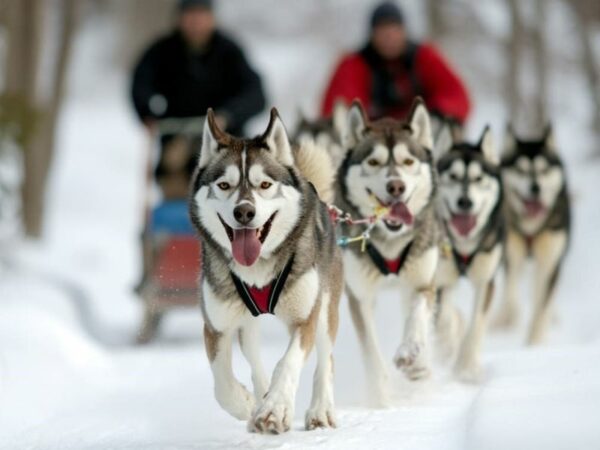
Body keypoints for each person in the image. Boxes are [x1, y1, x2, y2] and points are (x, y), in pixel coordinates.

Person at [321, 1, 471, 125]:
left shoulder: (424, 56)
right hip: (372, 138)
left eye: (394, 31)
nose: (389, 38)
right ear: (372, 35)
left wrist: (435, 114)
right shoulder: (354, 64)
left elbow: (457, 97)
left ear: (404, 32)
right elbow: (337, 108)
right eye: (383, 32)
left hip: (417, 133)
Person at [131, 0, 265, 136]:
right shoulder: (162, 51)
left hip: (226, 139)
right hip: (177, 137)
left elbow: (255, 94)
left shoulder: (230, 52)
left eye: (201, 14)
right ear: (179, 18)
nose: (195, 22)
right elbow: (141, 85)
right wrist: (148, 113)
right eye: (190, 14)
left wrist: (228, 116)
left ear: (212, 18)